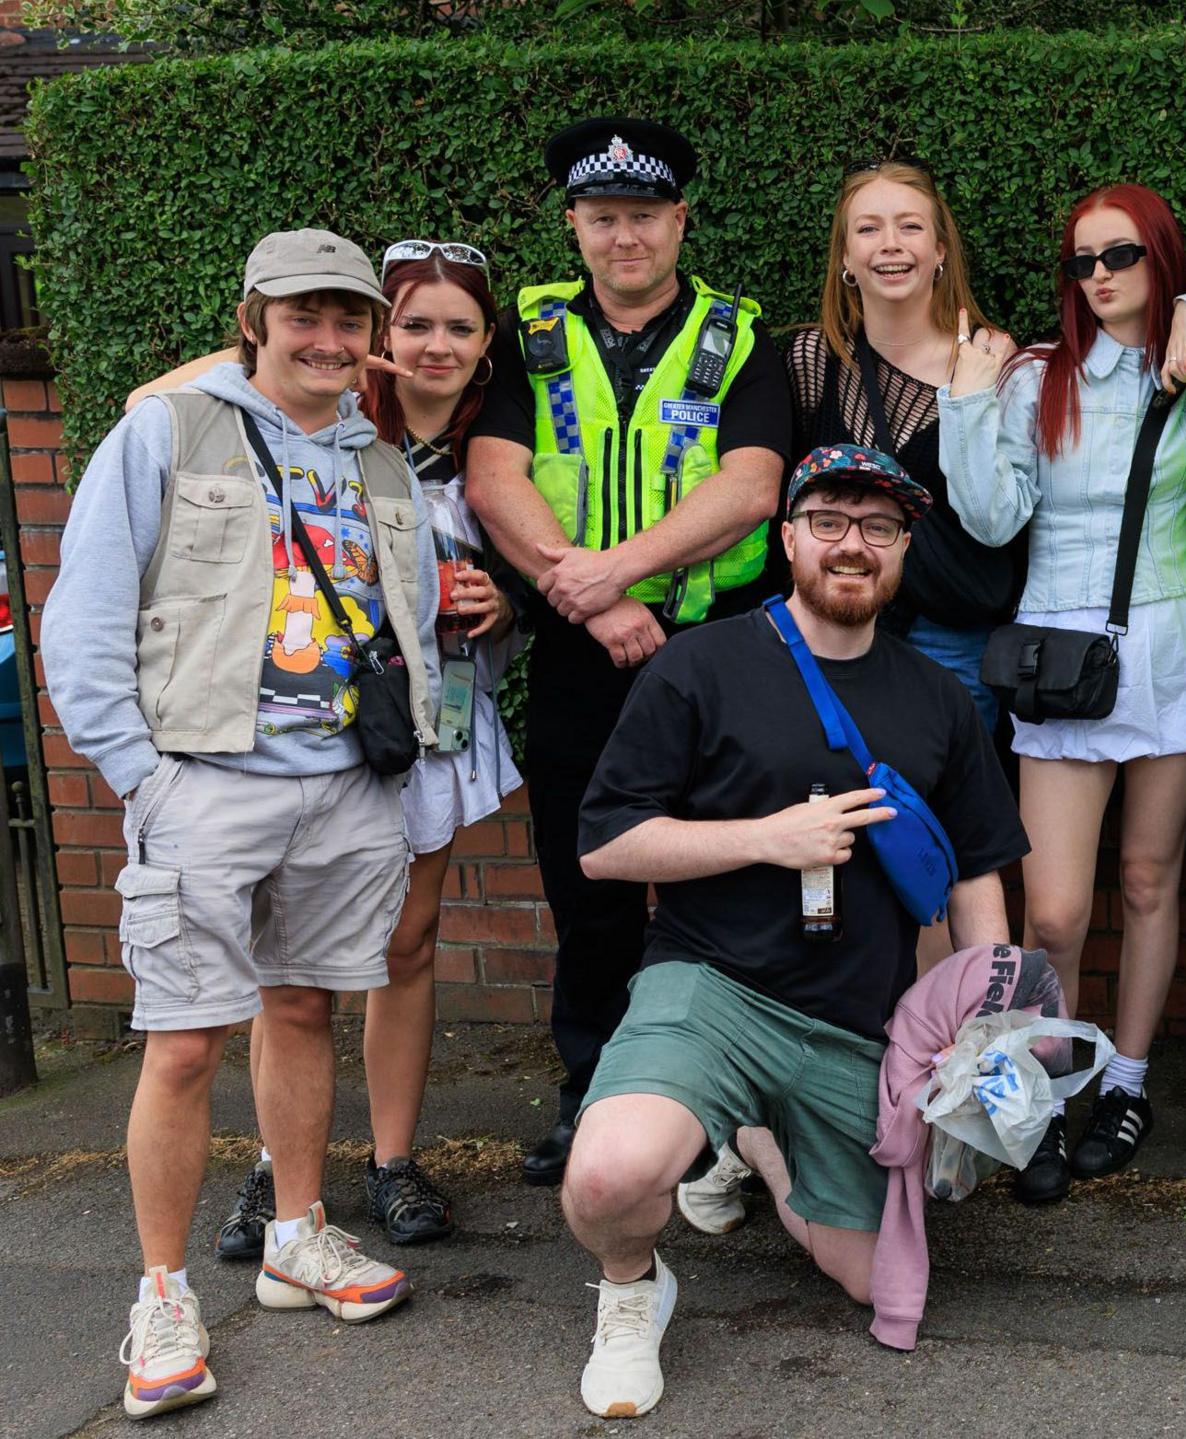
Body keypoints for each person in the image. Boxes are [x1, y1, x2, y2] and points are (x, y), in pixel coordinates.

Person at [54, 229, 439, 1418]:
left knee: (305, 1005)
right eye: (301, 314)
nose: (326, 338)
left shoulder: (382, 461)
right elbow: (86, 614)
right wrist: (145, 777)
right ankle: (162, 1291)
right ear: (254, 318)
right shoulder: (169, 432)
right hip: (207, 780)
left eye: (347, 318)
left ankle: (297, 1234)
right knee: (182, 1037)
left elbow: (405, 619)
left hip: (346, 786)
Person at [562, 444, 1027, 1418]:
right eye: (829, 521)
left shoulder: (936, 698)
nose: (851, 545)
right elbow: (606, 844)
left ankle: (756, 1135)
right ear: (788, 537)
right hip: (713, 989)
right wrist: (766, 838)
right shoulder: (703, 662)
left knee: (875, 1279)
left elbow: (978, 872)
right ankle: (629, 1288)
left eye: (878, 527)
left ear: (903, 548)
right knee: (611, 1172)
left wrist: (984, 1028)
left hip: (859, 1022)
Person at [135, 244, 529, 1258]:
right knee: (289, 967)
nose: (434, 345)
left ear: (487, 347)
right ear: (381, 338)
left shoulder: (501, 443)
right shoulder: (336, 422)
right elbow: (153, 399)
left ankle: (391, 1159)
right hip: (304, 734)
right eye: (412, 326)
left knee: (407, 941)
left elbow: (535, 573)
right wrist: (310, 350)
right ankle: (277, 1173)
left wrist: (500, 605)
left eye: (458, 327)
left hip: (419, 721)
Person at [465, 118, 793, 1187]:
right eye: (602, 217)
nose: (624, 237)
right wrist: (590, 594)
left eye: (643, 215)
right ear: (574, 223)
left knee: (726, 874)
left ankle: (719, 1109)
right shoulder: (531, 333)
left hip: (708, 648)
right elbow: (494, 478)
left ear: (679, 218)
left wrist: (617, 574)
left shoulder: (739, 336)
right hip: (576, 650)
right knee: (586, 878)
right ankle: (590, 1090)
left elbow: (750, 485)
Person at [941, 183, 1186, 1200]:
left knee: (1152, 880)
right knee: (1059, 912)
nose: (1102, 275)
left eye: (1123, 255)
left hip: (1170, 650)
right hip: (1059, 664)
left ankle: (1128, 1079)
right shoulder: (1037, 379)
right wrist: (965, 397)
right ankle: (1044, 1085)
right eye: (1083, 261)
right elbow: (989, 522)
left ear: (1161, 257)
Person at [784, 160, 1025, 730]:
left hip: (951, 644)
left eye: (910, 227)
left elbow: (1001, 522)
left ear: (941, 249)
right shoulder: (812, 360)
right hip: (827, 629)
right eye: (868, 229)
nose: (890, 244)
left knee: (934, 811)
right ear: (845, 258)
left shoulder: (995, 363)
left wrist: (970, 395)